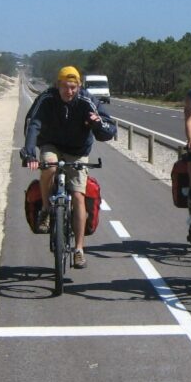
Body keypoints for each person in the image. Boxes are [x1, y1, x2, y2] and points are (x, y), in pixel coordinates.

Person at [20, 65, 116, 269]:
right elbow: (33, 124)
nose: (69, 91)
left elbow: (109, 128)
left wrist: (98, 124)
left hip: (78, 150)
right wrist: (29, 152)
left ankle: (79, 249)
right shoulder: (47, 98)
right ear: (58, 85)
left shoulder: (86, 100)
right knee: (50, 167)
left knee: (79, 196)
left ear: (79, 86)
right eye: (65, 86)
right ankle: (46, 210)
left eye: (73, 87)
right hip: (51, 144)